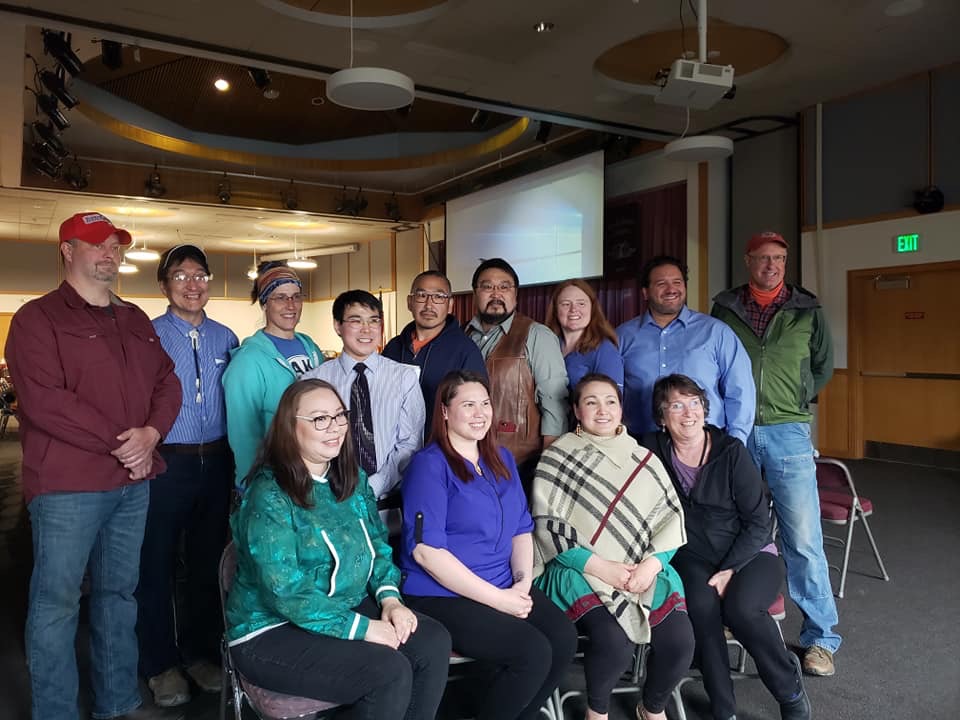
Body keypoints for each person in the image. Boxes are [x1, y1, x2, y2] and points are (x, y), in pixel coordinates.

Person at [5, 212, 183, 720]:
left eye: (115, 245)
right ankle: (56, 711)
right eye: (96, 245)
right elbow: (44, 401)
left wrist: (151, 435)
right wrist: (122, 443)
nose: (109, 254)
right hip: (68, 488)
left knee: (117, 595)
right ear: (67, 251)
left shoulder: (133, 319)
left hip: (133, 483)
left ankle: (117, 702)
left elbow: (166, 384)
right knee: (56, 605)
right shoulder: (37, 319)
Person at [226, 379, 451, 719]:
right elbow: (285, 592)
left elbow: (376, 546)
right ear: (290, 427)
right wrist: (364, 629)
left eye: (339, 416)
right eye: (319, 419)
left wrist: (390, 600)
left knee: (432, 641)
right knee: (388, 672)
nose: (334, 428)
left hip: (340, 606)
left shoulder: (351, 478)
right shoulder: (269, 494)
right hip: (270, 630)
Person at [400, 370, 577, 720]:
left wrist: (523, 581)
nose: (480, 412)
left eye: (485, 403)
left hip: (503, 582)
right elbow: (426, 552)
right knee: (532, 652)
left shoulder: (502, 459)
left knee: (563, 638)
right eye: (468, 404)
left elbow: (521, 529)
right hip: (443, 594)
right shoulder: (428, 466)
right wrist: (500, 600)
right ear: (445, 412)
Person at [643, 374, 812, 720]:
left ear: (705, 410)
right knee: (701, 612)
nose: (688, 413)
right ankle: (724, 709)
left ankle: (789, 691)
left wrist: (729, 569)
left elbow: (758, 522)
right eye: (676, 405)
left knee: (742, 609)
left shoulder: (731, 452)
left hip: (750, 553)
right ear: (662, 417)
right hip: (692, 556)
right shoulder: (652, 450)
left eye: (695, 404)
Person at [712, 231, 841, 677]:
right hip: (738, 430)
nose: (772, 265)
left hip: (788, 432)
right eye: (763, 258)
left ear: (786, 263)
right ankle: (737, 615)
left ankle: (820, 639)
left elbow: (823, 364)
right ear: (748, 261)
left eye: (780, 258)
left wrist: (797, 399)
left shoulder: (808, 308)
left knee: (802, 537)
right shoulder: (726, 308)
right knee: (736, 526)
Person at [532, 373, 693, 720]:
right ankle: (597, 711)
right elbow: (548, 528)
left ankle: (651, 708)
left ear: (621, 408)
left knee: (681, 643)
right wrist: (603, 568)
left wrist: (651, 565)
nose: (602, 410)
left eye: (610, 401)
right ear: (576, 410)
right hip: (578, 569)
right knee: (613, 640)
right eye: (591, 402)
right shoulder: (556, 457)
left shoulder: (643, 458)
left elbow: (669, 519)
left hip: (642, 567)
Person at [136, 245, 238, 707]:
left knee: (206, 563)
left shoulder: (227, 338)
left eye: (200, 275)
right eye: (181, 276)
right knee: (154, 564)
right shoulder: (148, 336)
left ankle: (200, 655)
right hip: (165, 462)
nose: (193, 285)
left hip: (216, 462)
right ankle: (160, 665)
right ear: (164, 286)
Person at [617, 256, 755, 444]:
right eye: (661, 283)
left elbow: (740, 390)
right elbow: (610, 392)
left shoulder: (716, 332)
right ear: (645, 292)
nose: (671, 289)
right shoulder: (623, 336)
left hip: (707, 443)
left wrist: (735, 444)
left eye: (677, 282)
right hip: (641, 444)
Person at [304, 290, 424, 502]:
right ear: (337, 325)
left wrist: (373, 486)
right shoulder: (312, 382)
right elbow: (305, 442)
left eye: (374, 321)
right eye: (356, 320)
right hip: (329, 498)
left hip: (390, 498)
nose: (366, 329)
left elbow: (410, 444)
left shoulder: (404, 378)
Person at [465, 258, 569, 482]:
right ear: (475, 293)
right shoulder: (463, 336)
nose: (496, 294)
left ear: (515, 294)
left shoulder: (537, 335)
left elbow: (555, 404)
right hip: (467, 460)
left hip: (521, 464)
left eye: (504, 286)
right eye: (487, 286)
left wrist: (549, 464)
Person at [222, 262, 322, 488]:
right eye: (280, 297)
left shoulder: (311, 348)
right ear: (264, 303)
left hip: (313, 473)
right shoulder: (247, 361)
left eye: (296, 297)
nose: (291, 305)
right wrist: (253, 489)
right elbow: (244, 437)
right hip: (274, 479)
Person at [383, 270, 488, 430]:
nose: (429, 305)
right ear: (410, 302)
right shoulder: (394, 348)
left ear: (450, 305)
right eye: (422, 295)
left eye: (439, 297)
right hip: (394, 445)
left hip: (440, 449)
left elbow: (476, 409)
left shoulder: (465, 350)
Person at [545, 279, 623, 391]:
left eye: (581, 303)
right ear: (555, 310)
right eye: (566, 304)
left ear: (592, 308)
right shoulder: (546, 345)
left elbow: (610, 404)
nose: (573, 309)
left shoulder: (605, 351)